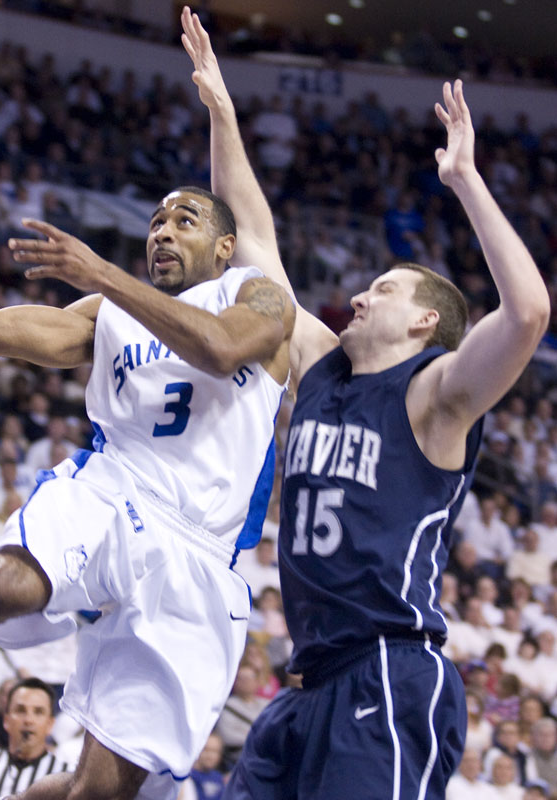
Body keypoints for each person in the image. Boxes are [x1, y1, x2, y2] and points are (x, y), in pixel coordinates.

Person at [0, 72, 295, 800]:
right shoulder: (105, 312)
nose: (162, 231)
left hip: (200, 559)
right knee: (6, 583)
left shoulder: (257, 297)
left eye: (183, 220)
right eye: (155, 222)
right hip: (114, 493)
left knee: (99, 792)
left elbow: (221, 351)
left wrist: (102, 272)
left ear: (226, 246)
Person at [179, 7, 549, 799]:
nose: (355, 294)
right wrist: (221, 112)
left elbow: (526, 314)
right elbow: (250, 237)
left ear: (424, 322)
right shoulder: (318, 366)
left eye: (379, 290)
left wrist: (465, 182)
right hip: (304, 686)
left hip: (388, 673)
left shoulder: (435, 396)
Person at [0, 677, 73, 798]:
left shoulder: (67, 777)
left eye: (38, 712)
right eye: (20, 710)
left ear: (50, 724)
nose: (28, 720)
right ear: (6, 720)